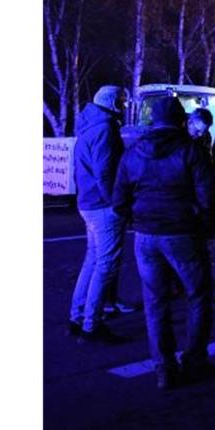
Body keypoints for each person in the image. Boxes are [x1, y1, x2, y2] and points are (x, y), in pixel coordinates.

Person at [113, 97, 215, 390]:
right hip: (182, 232)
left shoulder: (133, 153)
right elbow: (208, 196)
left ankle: (164, 368)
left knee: (155, 301)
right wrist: (206, 228)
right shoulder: (191, 151)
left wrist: (136, 220)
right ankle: (195, 360)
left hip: (146, 237)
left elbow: (118, 200)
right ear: (180, 120)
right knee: (198, 295)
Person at [69, 85, 132, 343]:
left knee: (93, 260)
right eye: (122, 101)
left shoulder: (88, 128)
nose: (125, 106)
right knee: (105, 264)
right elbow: (105, 173)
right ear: (112, 102)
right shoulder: (106, 130)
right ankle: (91, 325)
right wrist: (116, 203)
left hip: (88, 203)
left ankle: (77, 315)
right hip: (103, 206)